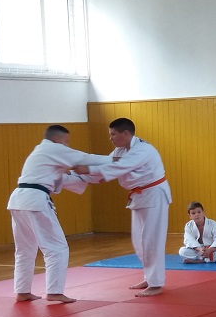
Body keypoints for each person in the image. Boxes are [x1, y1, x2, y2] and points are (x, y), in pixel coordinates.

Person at [7, 124, 109, 303]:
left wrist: (95, 176)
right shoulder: (53, 148)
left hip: (18, 200)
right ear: (56, 139)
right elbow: (87, 158)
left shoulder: (41, 154)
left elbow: (64, 179)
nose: (67, 145)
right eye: (66, 141)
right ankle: (54, 291)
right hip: (35, 200)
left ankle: (22, 291)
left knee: (24, 249)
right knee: (57, 248)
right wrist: (117, 160)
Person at [74, 118, 172, 297]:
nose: (110, 138)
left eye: (113, 134)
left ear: (125, 134)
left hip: (154, 194)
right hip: (139, 196)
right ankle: (150, 277)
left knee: (151, 241)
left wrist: (87, 169)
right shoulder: (120, 150)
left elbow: (120, 167)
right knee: (139, 242)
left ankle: (156, 283)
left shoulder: (143, 149)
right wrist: (74, 175)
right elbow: (107, 164)